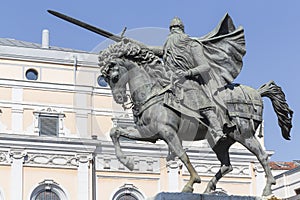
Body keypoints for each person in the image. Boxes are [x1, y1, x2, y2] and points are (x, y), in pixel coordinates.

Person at [162, 16, 227, 146]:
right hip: (173, 83)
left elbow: (205, 66)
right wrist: (133, 44)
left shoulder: (192, 45)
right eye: (171, 29)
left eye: (176, 28)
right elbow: (152, 49)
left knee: (203, 104)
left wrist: (187, 73)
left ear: (182, 30)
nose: (173, 31)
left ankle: (218, 131)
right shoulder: (169, 48)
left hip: (192, 81)